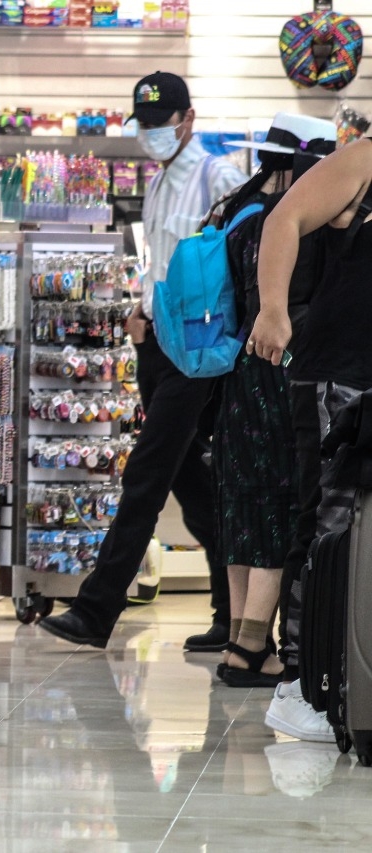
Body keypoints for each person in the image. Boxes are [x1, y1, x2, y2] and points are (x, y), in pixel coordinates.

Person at [40, 71, 244, 650]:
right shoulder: (155, 184)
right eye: (145, 124)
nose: (153, 134)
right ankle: (231, 617)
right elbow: (160, 266)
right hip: (156, 343)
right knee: (191, 480)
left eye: (162, 123)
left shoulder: (219, 177)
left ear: (188, 118)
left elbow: (229, 271)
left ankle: (96, 610)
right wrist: (140, 311)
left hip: (198, 351)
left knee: (148, 474)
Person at [247, 122, 372, 742]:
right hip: (339, 373)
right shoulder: (363, 161)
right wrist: (272, 310)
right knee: (328, 518)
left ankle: (348, 676)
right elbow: (283, 221)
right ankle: (300, 681)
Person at [210, 114, 337, 688]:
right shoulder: (295, 221)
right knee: (277, 499)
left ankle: (242, 639)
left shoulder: (235, 209)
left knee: (241, 501)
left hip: (237, 369)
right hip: (282, 368)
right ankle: (254, 646)